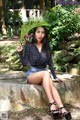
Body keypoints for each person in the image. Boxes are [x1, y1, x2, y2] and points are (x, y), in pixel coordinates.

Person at [17, 26, 72, 119]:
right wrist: (20, 52)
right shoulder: (29, 46)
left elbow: (50, 63)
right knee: (46, 74)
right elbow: (25, 64)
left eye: (43, 32)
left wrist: (54, 76)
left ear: (45, 34)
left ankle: (61, 108)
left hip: (44, 75)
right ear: (34, 33)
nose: (40, 34)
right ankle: (52, 103)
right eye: (38, 32)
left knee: (50, 82)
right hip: (32, 74)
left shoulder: (47, 46)